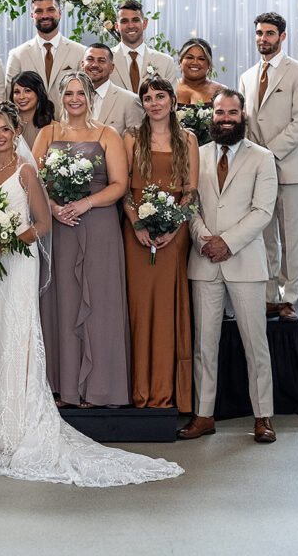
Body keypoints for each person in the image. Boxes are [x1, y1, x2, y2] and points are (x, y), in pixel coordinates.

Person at [0, 103, 183, 487]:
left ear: (16, 131)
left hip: (20, 258)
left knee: (21, 330)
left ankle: (22, 416)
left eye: (5, 128)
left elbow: (43, 219)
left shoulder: (31, 167)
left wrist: (10, 240)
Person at [178, 89, 278, 444]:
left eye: (231, 113)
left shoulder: (263, 158)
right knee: (205, 345)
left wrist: (228, 242)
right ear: (212, 115)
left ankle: (263, 416)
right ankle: (204, 415)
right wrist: (205, 239)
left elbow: (263, 211)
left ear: (242, 115)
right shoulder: (197, 154)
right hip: (204, 260)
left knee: (256, 343)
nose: (225, 119)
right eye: (219, 112)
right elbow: (188, 203)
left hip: (245, 262)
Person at [33, 72, 130, 407]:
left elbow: (119, 185)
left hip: (98, 225)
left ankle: (99, 387)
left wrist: (86, 203)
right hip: (59, 228)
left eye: (81, 93)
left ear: (91, 96)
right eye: (69, 93)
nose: (75, 99)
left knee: (99, 303)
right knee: (62, 301)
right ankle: (63, 387)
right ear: (61, 96)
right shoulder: (47, 133)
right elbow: (33, 181)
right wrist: (56, 209)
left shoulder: (107, 134)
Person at [122, 76, 198, 411]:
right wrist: (137, 223)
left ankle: (166, 392)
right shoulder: (131, 138)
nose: (154, 103)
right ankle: (137, 391)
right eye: (148, 98)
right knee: (138, 308)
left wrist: (173, 226)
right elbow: (123, 188)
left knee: (168, 307)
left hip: (174, 233)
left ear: (172, 100)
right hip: (135, 230)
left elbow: (191, 192)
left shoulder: (189, 140)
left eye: (160, 96)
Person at [238, 12, 298, 323]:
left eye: (269, 33)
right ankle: (269, 297)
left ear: (282, 36)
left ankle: (289, 299)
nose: (262, 39)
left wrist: (268, 154)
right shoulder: (246, 76)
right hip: (258, 173)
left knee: (290, 237)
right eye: (258, 33)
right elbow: (245, 124)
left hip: (288, 168)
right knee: (264, 237)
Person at [5, 0, 86, 111]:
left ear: (59, 13)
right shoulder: (17, 55)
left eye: (50, 10)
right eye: (39, 11)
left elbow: (86, 96)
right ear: (32, 16)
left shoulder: (80, 52)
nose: (45, 15)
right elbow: (9, 98)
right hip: (30, 127)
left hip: (68, 126)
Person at [111, 0, 177, 93]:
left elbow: (171, 103)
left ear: (144, 24)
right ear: (117, 26)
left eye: (135, 20)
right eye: (124, 21)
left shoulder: (166, 62)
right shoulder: (106, 60)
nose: (130, 26)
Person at [82, 42, 142, 135]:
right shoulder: (70, 98)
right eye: (90, 59)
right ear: (82, 65)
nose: (95, 65)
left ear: (111, 67)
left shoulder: (130, 101)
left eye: (101, 60)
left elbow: (137, 144)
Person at [9, 70, 55, 151]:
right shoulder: (7, 125)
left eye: (27, 91)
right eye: (17, 92)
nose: (21, 97)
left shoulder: (52, 127)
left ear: (38, 93)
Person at [176, 38, 227, 105]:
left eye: (201, 59)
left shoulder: (221, 91)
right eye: (190, 57)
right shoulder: (169, 89)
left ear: (209, 64)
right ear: (180, 61)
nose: (195, 62)